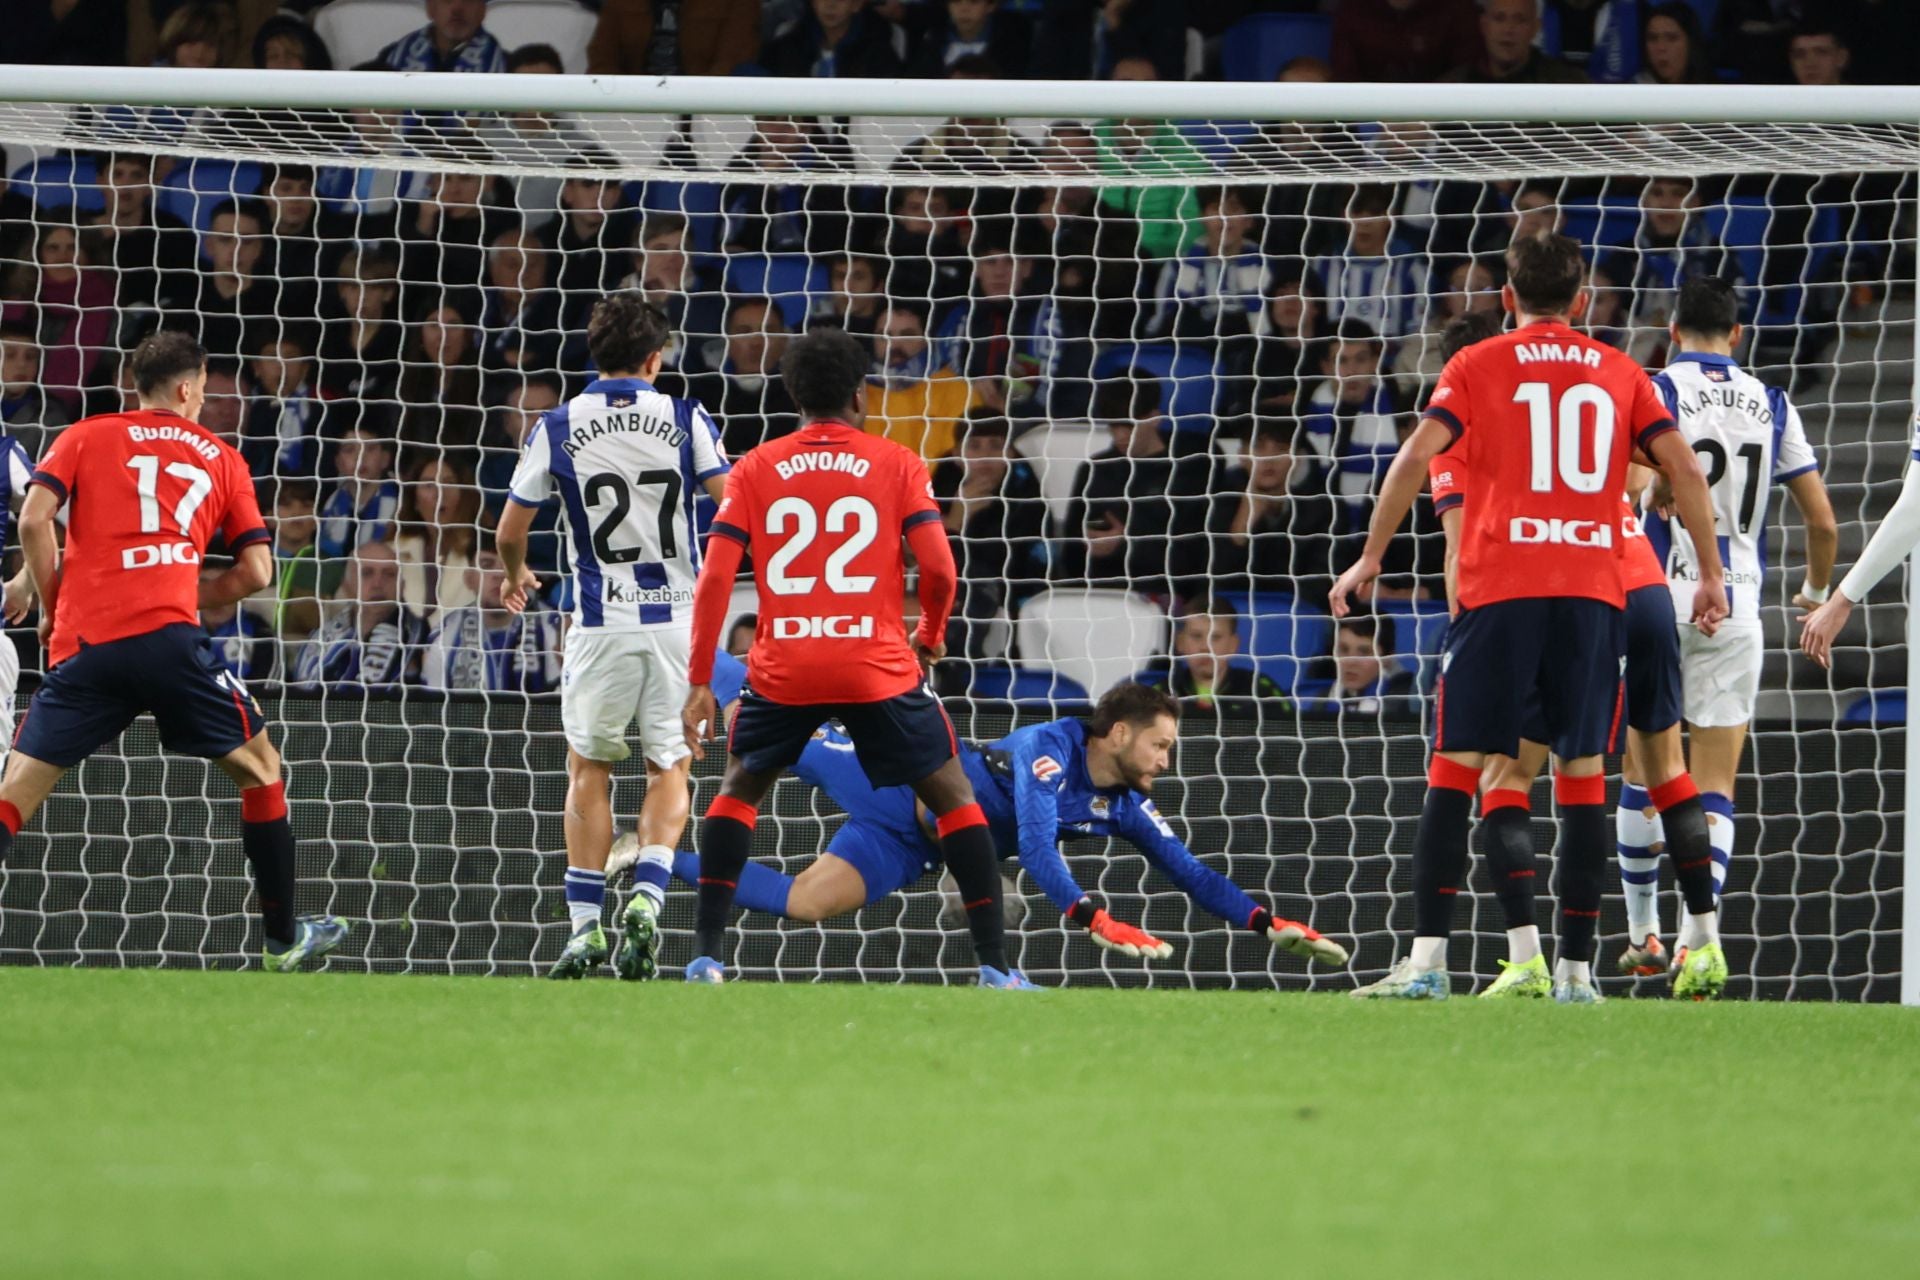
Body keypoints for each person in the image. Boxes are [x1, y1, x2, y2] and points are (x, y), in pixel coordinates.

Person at [1330, 233, 1727, 1004]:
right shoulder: (1619, 370)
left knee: (1458, 768)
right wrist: (1709, 575)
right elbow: (1680, 467)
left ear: (1506, 298)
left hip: (1503, 584)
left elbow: (1416, 457)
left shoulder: (1476, 364)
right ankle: (1577, 975)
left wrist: (1371, 557)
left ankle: (1428, 964)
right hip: (1593, 590)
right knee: (1585, 777)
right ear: (1582, 302)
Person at [679, 328, 1024, 988]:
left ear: (792, 395)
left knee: (739, 792)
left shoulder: (754, 467)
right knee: (954, 800)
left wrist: (701, 680)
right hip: (876, 665)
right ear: (862, 396)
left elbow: (715, 582)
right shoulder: (897, 462)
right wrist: (930, 634)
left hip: (787, 666)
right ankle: (995, 970)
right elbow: (941, 568)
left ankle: (707, 956)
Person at [0, 331, 347, 970]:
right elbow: (259, 573)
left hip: (87, 646)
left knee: (14, 792)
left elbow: (33, 521)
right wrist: (198, 589)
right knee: (262, 769)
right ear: (188, 388)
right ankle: (281, 938)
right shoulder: (222, 456)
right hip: (169, 640)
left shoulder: (84, 433)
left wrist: (53, 607)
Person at [667, 685, 1345, 970]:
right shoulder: (1048, 748)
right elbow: (1039, 844)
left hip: (907, 844)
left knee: (807, 904)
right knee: (760, 723)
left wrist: (1265, 922)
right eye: (1161, 745)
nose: (1166, 760)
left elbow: (1192, 873)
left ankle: (652, 857)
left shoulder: (1128, 807)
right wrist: (1091, 916)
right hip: (896, 784)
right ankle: (685, 662)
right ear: (1116, 734)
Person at [498, 295, 732, 982]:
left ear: (593, 355)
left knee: (587, 770)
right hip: (675, 624)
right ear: (657, 359)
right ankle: (650, 904)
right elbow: (731, 500)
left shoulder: (558, 423)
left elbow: (510, 532)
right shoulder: (686, 416)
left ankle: (583, 929)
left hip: (598, 623)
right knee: (671, 767)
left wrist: (517, 576)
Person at [1621, 277, 1836, 983]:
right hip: (1738, 604)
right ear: (1737, 335)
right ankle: (1698, 942)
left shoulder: (1656, 389)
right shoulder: (1773, 402)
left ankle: (1643, 933)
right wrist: (1813, 591)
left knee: (1643, 768)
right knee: (1715, 781)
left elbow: (1634, 489)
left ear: (1673, 330)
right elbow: (1823, 522)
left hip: (1658, 597)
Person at [422, 543, 564, 693]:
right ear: (469, 579)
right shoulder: (444, 636)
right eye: (487, 565)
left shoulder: (553, 628)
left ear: (526, 575)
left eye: (509, 564)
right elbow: (434, 709)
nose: (499, 574)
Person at [291, 540, 413, 687]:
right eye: (366, 573)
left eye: (389, 574)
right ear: (346, 586)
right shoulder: (321, 638)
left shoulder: (417, 641)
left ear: (402, 586)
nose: (378, 584)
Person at [1138, 602, 1288, 719]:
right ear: (1180, 643)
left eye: (1215, 638)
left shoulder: (1262, 692)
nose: (1205, 647)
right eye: (1196, 636)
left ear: (1233, 645)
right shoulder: (1161, 695)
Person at [865, 303, 975, 463]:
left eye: (907, 335)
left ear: (926, 339)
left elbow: (955, 462)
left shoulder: (956, 390)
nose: (894, 345)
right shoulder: (856, 394)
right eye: (885, 336)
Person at [1302, 615, 1420, 718]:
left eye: (1364, 652)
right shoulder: (1321, 702)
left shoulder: (1403, 704)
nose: (1351, 661)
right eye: (1344, 649)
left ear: (1387, 658)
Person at [1441, 0, 1586, 83]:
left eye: (1519, 19)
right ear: (1484, 26)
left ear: (1535, 28)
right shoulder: (1453, 85)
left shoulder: (1566, 84)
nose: (1508, 29)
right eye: (1499, 18)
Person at [380, 0, 507, 73]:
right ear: (431, 9)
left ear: (482, 11)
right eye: (447, 0)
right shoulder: (391, 56)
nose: (457, 8)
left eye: (468, 0)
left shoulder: (504, 64)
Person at [200, 564, 273, 682]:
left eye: (224, 586)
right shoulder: (179, 633)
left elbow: (269, 693)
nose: (216, 598)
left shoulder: (260, 634)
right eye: (204, 584)